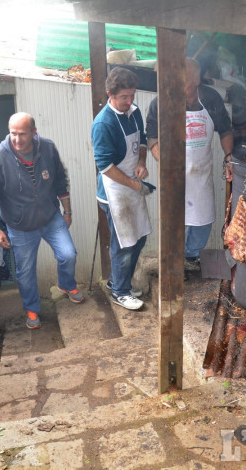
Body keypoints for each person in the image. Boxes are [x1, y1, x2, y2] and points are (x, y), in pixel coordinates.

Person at [0, 112, 84, 330]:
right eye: (13, 133)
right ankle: (32, 309)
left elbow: (60, 180)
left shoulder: (47, 147)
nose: (17, 139)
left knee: (68, 255)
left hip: (50, 216)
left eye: (22, 134)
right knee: (25, 272)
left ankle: (66, 285)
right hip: (20, 225)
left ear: (34, 133)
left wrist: (68, 211)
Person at [146, 58, 233, 268]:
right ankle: (174, 262)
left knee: (204, 220)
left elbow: (225, 129)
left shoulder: (211, 98)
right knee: (175, 220)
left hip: (201, 170)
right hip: (174, 173)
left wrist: (229, 157)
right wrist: (166, 163)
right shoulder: (161, 102)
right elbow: (152, 139)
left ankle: (191, 256)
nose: (176, 88)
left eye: (182, 83)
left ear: (195, 81)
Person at [92, 67, 154, 311]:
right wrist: (134, 185)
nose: (129, 102)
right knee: (124, 242)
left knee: (139, 238)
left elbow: (141, 141)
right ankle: (120, 292)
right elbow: (105, 167)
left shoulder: (134, 112)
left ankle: (118, 282)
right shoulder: (103, 124)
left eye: (132, 95)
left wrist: (141, 163)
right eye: (124, 97)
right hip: (113, 191)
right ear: (110, 94)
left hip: (132, 184)